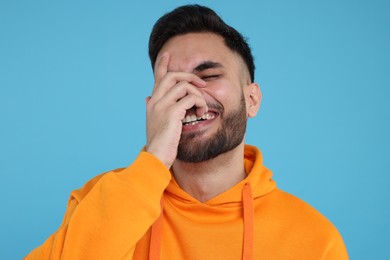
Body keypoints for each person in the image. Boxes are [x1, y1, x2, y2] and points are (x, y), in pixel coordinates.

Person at [25, 4, 348, 260]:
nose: (189, 96)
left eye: (207, 75)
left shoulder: (314, 237)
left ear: (251, 99)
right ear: (154, 104)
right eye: (172, 83)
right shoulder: (99, 201)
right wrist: (153, 160)